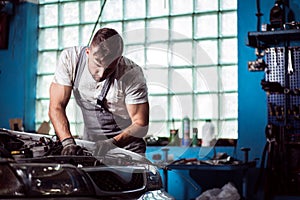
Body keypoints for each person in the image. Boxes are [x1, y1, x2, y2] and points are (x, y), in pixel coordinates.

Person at [48, 28, 149, 156]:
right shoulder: (71, 60)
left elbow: (140, 124)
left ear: (119, 60)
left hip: (127, 149)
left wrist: (111, 144)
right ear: (88, 52)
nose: (101, 74)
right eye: (97, 64)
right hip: (91, 146)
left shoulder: (131, 74)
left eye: (109, 69)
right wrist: (67, 142)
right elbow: (56, 107)